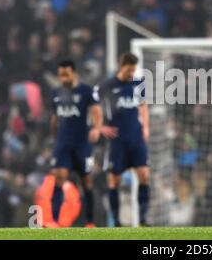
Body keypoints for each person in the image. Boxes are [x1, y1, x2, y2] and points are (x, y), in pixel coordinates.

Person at [95, 53, 150, 226]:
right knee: (114, 180)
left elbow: (143, 105)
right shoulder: (106, 86)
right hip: (116, 141)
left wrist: (146, 126)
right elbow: (91, 107)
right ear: (121, 66)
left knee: (144, 175)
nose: (131, 73)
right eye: (129, 70)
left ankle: (142, 220)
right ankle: (117, 223)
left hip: (135, 138)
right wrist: (100, 127)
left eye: (134, 70)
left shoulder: (138, 83)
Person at [50, 59, 104, 227]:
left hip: (81, 144)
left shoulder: (86, 91)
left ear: (74, 73)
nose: (63, 78)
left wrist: (97, 128)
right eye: (60, 75)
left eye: (66, 74)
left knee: (86, 180)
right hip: (63, 144)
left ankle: (90, 222)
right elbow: (54, 118)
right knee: (59, 177)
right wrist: (55, 138)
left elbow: (96, 110)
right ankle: (54, 222)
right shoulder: (56, 93)